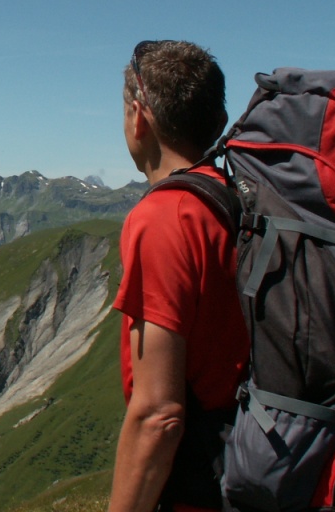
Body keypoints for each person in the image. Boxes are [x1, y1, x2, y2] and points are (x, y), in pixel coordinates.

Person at [107, 40, 250, 512]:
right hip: (261, 461)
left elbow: (158, 415)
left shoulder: (165, 218)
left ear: (138, 116)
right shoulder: (238, 198)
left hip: (206, 485)